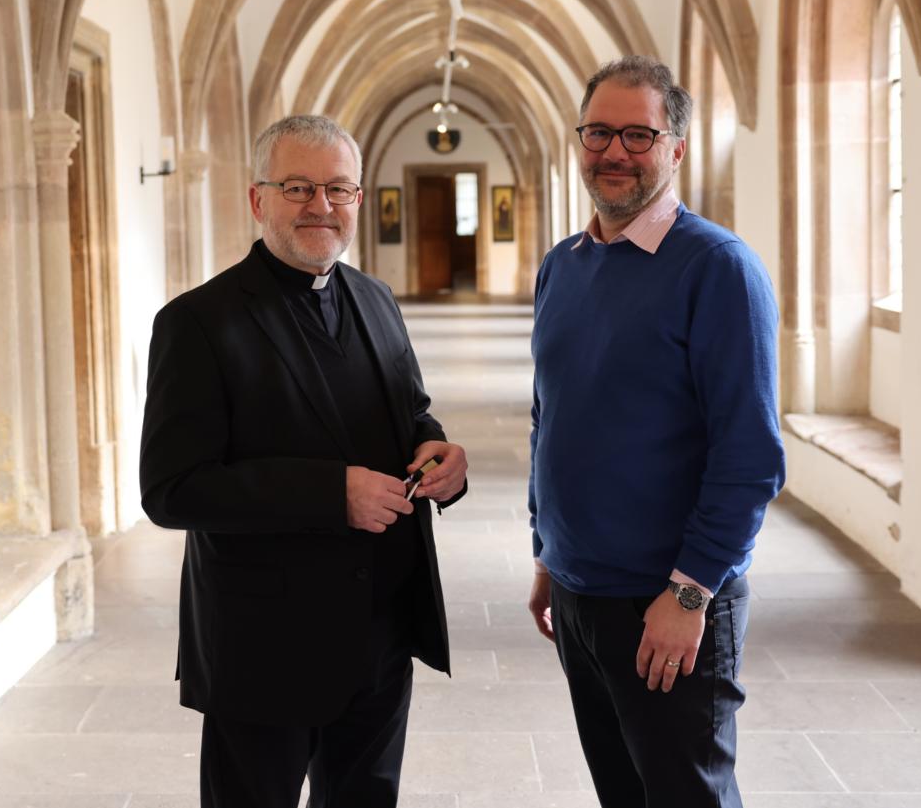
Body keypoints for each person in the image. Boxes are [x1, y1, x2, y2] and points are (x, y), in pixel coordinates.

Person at [140, 114, 470, 808]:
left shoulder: (377, 301)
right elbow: (172, 490)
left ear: (357, 198)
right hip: (264, 647)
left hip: (380, 632)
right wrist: (332, 493)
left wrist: (438, 453)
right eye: (298, 187)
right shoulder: (197, 322)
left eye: (338, 188)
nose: (321, 205)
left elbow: (411, 412)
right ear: (259, 199)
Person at [526, 55, 785, 807]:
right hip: (579, 593)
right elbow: (553, 415)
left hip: (666, 601)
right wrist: (547, 548)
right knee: (623, 792)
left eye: (638, 135)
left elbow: (749, 456)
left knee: (686, 795)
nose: (614, 152)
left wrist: (691, 592)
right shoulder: (563, 266)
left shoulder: (718, 268)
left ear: (676, 148)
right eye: (599, 132)